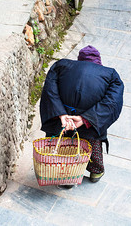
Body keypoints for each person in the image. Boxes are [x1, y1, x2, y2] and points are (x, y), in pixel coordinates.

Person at [40, 45, 124, 185]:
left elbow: (50, 89)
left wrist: (61, 114)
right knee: (91, 140)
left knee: (60, 141)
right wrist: (85, 119)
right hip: (88, 121)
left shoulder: (61, 65)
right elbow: (112, 102)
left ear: (79, 60)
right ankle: (95, 171)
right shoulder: (111, 75)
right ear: (98, 62)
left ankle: (62, 169)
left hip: (62, 118)